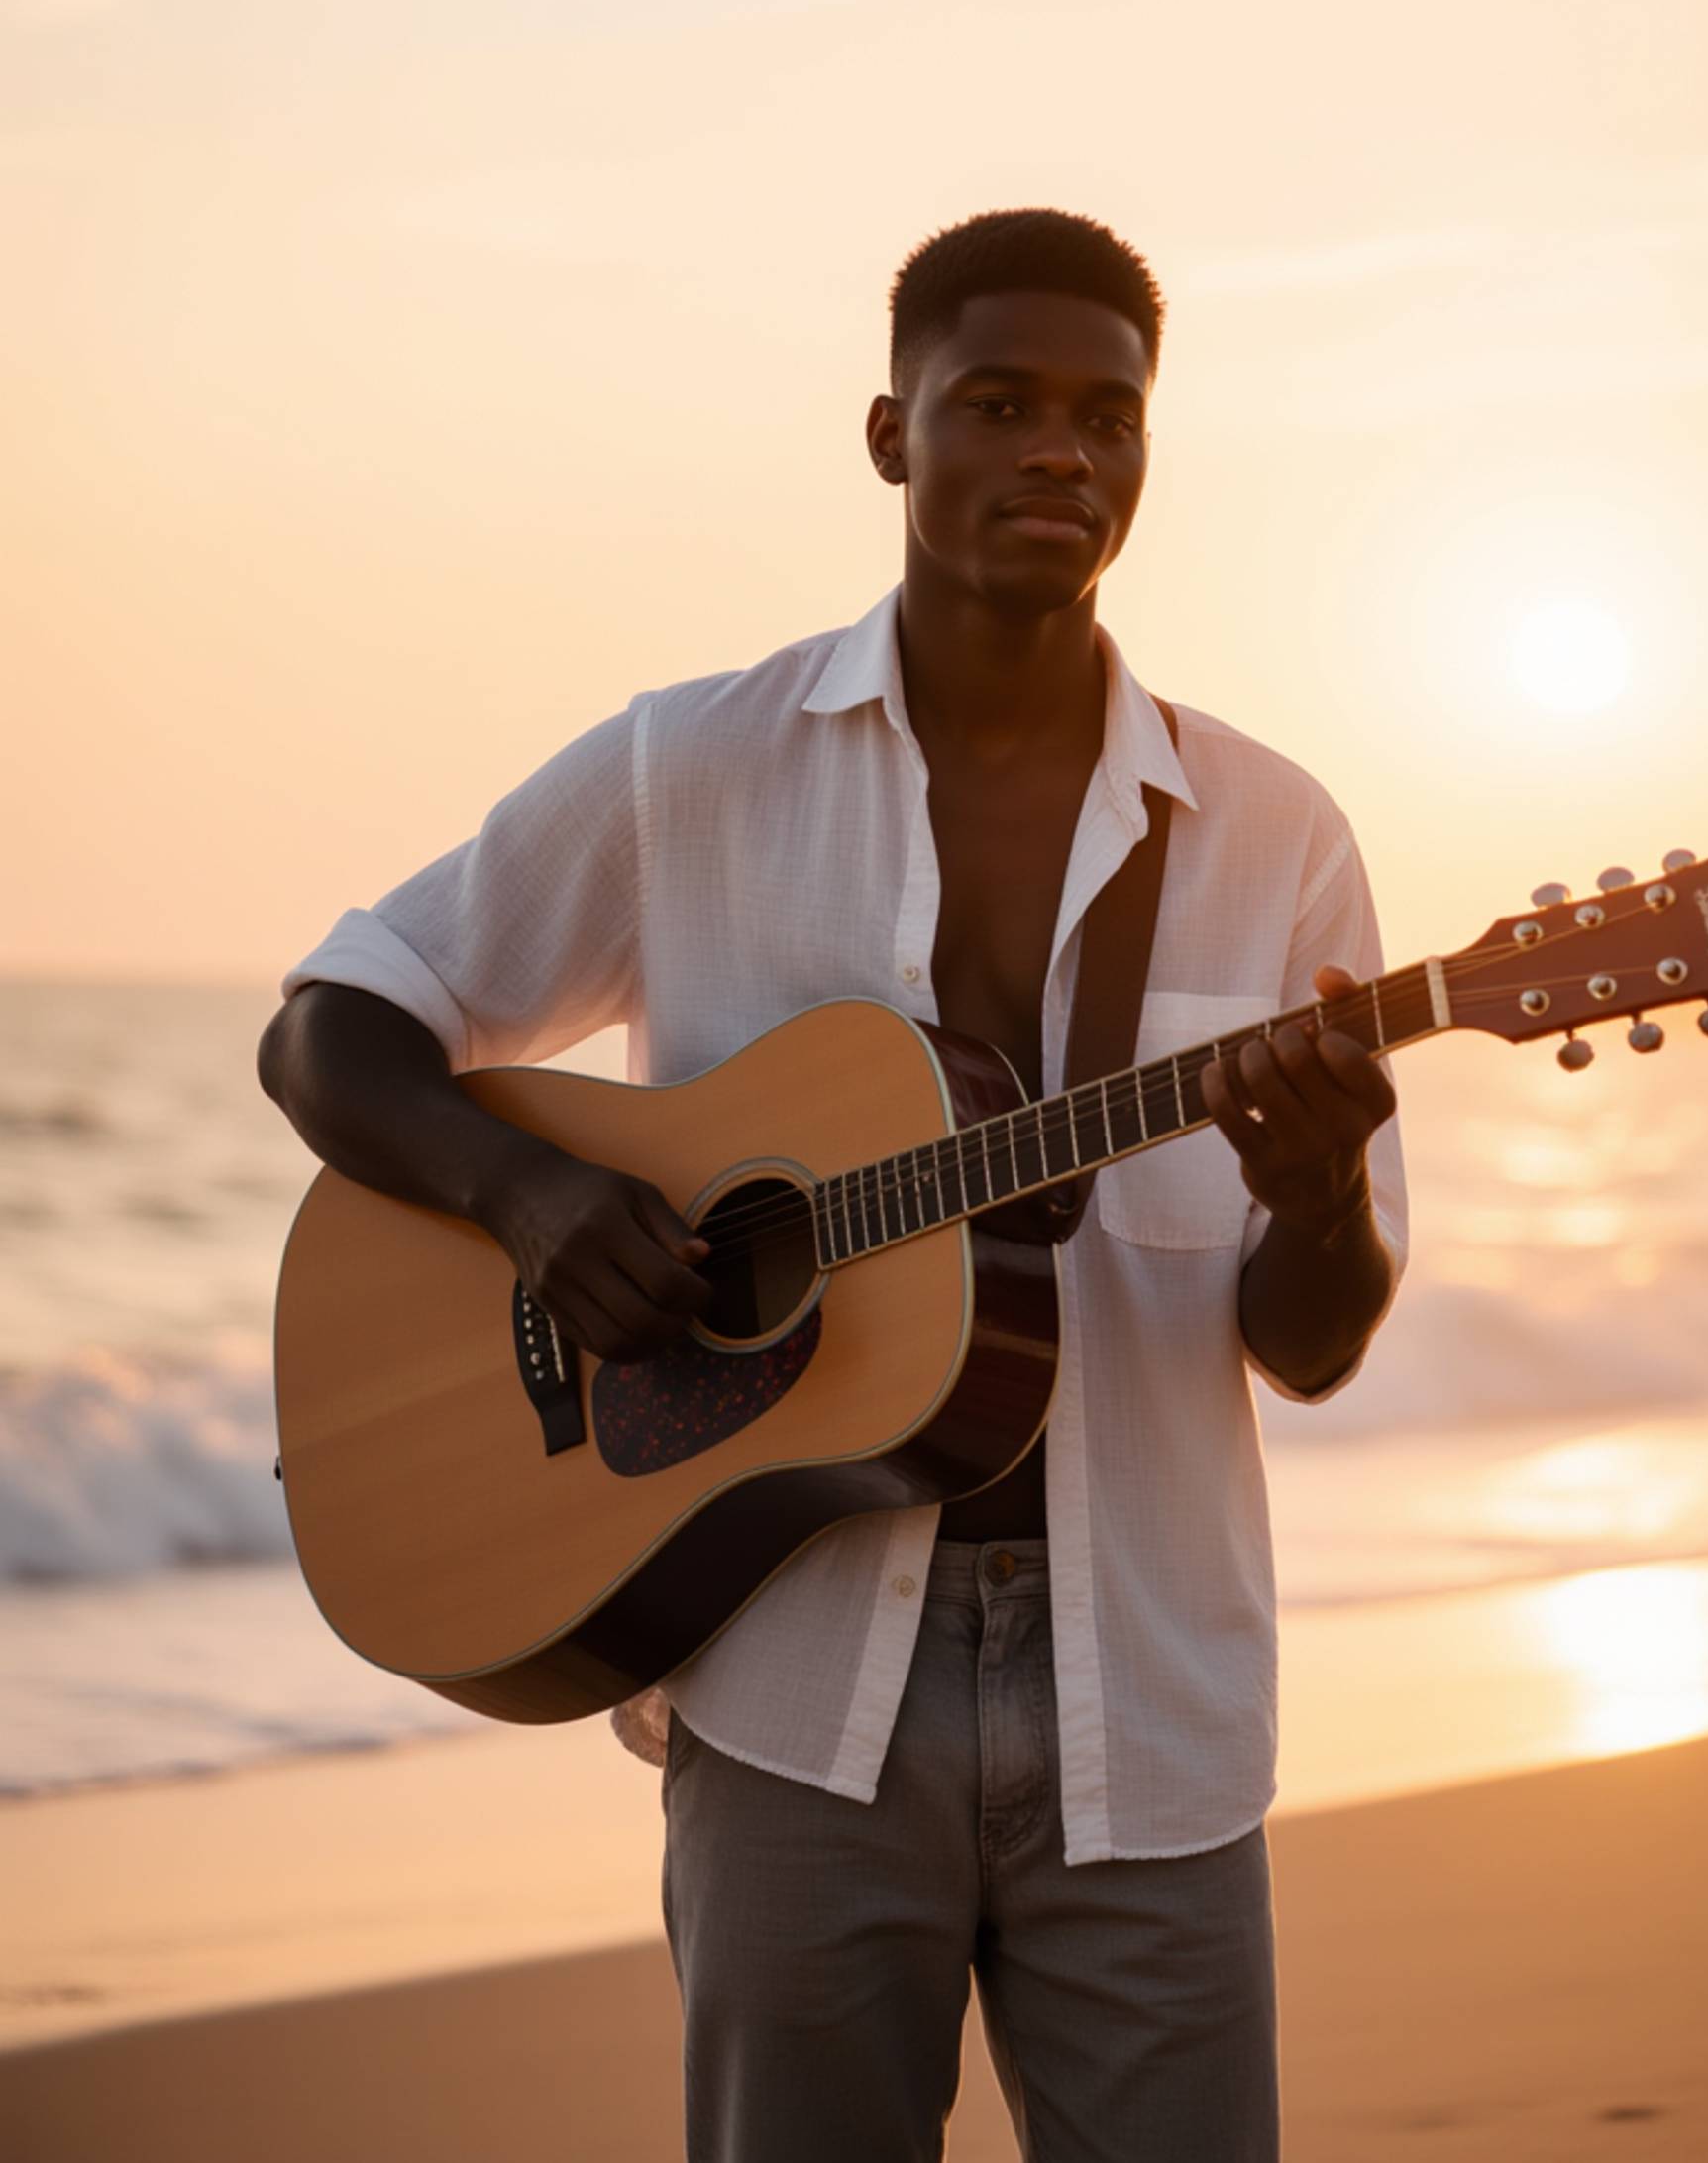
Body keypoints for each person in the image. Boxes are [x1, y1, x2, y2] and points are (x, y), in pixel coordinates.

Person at [259, 206, 1408, 2163]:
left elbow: (1312, 1346)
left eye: (1108, 417)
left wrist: (1314, 1198)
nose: (1062, 452)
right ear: (891, 433)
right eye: (1000, 403)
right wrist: (529, 1198)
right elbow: (335, 1027)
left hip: (1151, 1699)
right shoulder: (691, 768)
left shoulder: (1274, 835)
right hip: (794, 1692)